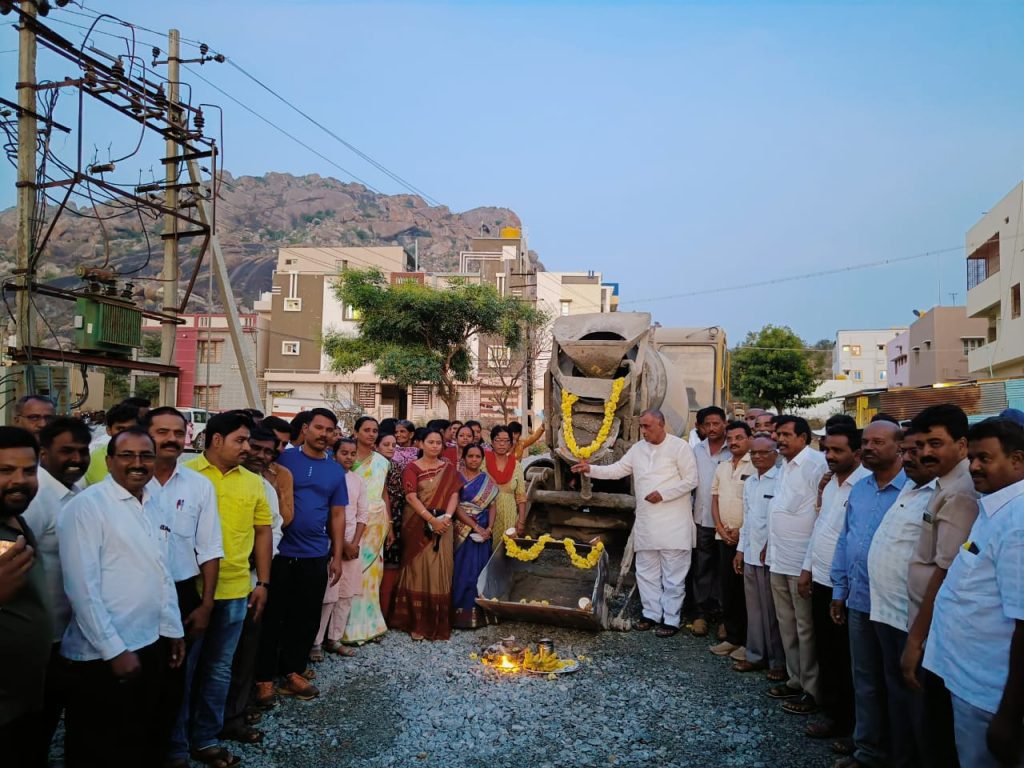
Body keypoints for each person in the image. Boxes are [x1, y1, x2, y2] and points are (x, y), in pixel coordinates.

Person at [58, 428, 185, 768]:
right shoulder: (87, 507)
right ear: (110, 461)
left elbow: (161, 571)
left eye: (145, 456)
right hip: (104, 655)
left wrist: (172, 629)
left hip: (150, 642)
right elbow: (82, 588)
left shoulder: (153, 503)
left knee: (142, 737)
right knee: (98, 747)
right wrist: (113, 650)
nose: (137, 463)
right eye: (127, 455)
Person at [924, 417, 1024, 768]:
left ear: (1018, 460)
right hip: (967, 682)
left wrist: (1009, 716)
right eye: (974, 458)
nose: (975, 466)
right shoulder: (994, 507)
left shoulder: (1018, 523)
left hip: (990, 695)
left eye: (986, 458)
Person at [175, 411, 271, 768]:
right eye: (240, 440)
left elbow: (263, 531)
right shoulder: (186, 477)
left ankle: (205, 737)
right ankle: (175, 743)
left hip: (235, 589)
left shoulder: (252, 482)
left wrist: (262, 582)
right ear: (216, 440)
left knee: (219, 668)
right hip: (193, 590)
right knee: (185, 668)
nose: (248, 448)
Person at [572, 409, 699, 637]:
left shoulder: (680, 447)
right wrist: (591, 469)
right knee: (646, 572)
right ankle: (650, 614)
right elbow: (618, 470)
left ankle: (671, 620)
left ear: (662, 425)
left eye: (647, 426)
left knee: (673, 576)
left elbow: (692, 480)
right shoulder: (638, 449)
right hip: (647, 524)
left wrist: (664, 493)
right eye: (641, 426)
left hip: (674, 525)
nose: (643, 431)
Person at [901, 404, 979, 768]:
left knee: (936, 730)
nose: (927, 453)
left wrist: (916, 641)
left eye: (937, 443)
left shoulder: (961, 492)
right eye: (922, 445)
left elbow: (945, 572)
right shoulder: (944, 484)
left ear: (962, 445)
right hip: (922, 620)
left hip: (934, 630)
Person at [256, 408, 347, 703]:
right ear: (305, 429)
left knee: (305, 618)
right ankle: (264, 679)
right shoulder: (284, 458)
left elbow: (336, 514)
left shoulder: (335, 470)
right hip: (280, 552)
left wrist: (336, 554)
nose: (324, 434)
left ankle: (293, 672)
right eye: (319, 428)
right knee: (272, 617)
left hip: (314, 554)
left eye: (330, 430)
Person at [830, 419, 906, 768]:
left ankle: (899, 754)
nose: (870, 447)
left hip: (895, 607)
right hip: (859, 601)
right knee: (865, 681)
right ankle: (868, 752)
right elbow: (846, 540)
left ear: (899, 446)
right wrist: (839, 588)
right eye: (866, 442)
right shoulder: (859, 489)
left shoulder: (914, 490)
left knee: (897, 685)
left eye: (879, 442)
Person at [860, 426, 937, 768]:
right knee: (887, 689)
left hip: (911, 617)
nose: (912, 457)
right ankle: (884, 753)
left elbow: (941, 566)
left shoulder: (946, 495)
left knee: (914, 700)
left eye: (922, 448)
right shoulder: (911, 487)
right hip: (881, 608)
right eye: (909, 450)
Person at [20, 417, 91, 762]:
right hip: (36, 639)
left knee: (52, 718)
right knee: (29, 724)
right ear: (43, 453)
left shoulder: (78, 492)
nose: (77, 458)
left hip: (67, 634)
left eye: (82, 450)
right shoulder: (33, 499)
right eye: (67, 451)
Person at [798, 424, 868, 744]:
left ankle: (850, 727)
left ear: (856, 453)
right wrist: (806, 569)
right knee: (826, 652)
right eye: (826, 449)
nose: (829, 456)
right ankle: (832, 715)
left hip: (847, 587)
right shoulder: (830, 485)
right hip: (822, 579)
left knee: (847, 659)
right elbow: (820, 529)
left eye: (837, 451)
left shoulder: (864, 486)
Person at [221, 429, 286, 746]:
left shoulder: (264, 488)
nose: (259, 455)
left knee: (245, 653)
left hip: (250, 582)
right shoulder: (205, 480)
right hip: (210, 584)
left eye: (267, 451)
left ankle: (236, 713)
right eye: (253, 448)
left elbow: (274, 530)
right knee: (212, 657)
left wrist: (259, 568)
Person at [766, 415, 827, 715]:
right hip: (779, 557)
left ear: (804, 437)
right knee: (787, 626)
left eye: (787, 434)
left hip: (801, 562)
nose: (780, 439)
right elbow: (778, 508)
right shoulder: (784, 467)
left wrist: (808, 566)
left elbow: (821, 518)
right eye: (778, 434)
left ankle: (813, 690)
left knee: (806, 629)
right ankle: (795, 679)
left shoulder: (817, 466)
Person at [0, 426, 53, 765]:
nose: (20, 480)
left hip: (25, 700)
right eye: (5, 470)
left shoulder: (15, 517)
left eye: (28, 470)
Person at [389, 429, 464, 641]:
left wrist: (447, 518)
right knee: (417, 569)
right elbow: (411, 497)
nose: (434, 446)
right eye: (430, 442)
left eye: (438, 443)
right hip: (417, 525)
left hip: (444, 526)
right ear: (421, 444)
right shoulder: (412, 468)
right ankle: (415, 622)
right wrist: (431, 520)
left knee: (440, 569)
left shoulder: (448, 469)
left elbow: (454, 494)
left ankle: (437, 621)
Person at [733, 435, 787, 679]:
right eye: (753, 453)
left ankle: (777, 662)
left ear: (775, 453)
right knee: (753, 610)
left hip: (770, 556)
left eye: (763, 453)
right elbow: (748, 519)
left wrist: (770, 545)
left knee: (773, 613)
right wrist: (740, 550)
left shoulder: (780, 480)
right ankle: (755, 656)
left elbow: (778, 520)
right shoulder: (751, 482)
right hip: (751, 554)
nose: (757, 457)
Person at [312, 438, 367, 659]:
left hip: (353, 545)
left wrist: (353, 544)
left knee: (346, 595)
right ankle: (316, 642)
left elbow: (362, 516)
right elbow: (326, 514)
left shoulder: (358, 481)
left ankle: (335, 639)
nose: (349, 457)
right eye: (344, 453)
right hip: (330, 543)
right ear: (334, 454)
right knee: (328, 595)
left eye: (353, 453)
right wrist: (340, 544)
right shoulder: (327, 479)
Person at [341, 416, 390, 645]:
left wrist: (389, 526)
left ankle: (372, 625)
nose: (371, 434)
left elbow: (383, 494)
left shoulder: (382, 461)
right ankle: (346, 629)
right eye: (367, 430)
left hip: (378, 524)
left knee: (373, 574)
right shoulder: (345, 460)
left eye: (375, 430)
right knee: (352, 572)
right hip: (351, 523)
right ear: (356, 431)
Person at [710, 420, 753, 659]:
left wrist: (741, 530)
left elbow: (756, 505)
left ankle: (749, 642)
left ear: (749, 438)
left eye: (739, 438)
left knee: (746, 593)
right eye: (730, 439)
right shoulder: (722, 466)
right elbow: (714, 498)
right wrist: (718, 525)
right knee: (727, 590)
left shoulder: (755, 466)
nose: (733, 442)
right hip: (723, 536)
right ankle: (733, 638)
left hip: (746, 540)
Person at [691, 406, 730, 637]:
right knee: (702, 566)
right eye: (708, 424)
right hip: (701, 518)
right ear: (702, 427)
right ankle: (700, 614)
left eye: (717, 423)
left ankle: (725, 617)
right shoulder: (697, 450)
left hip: (726, 522)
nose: (712, 428)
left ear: (725, 423)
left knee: (724, 570)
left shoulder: (734, 450)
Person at [452, 444, 499, 629]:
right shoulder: (456, 477)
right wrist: (475, 526)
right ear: (463, 457)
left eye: (477, 456)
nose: (474, 459)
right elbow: (454, 506)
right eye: (470, 456)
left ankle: (481, 615)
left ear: (482, 459)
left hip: (482, 533)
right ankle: (459, 615)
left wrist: (489, 527)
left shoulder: (486, 480)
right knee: (461, 571)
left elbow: (492, 505)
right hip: (461, 530)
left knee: (480, 572)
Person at [378, 432, 406, 617]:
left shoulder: (397, 467)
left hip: (395, 520)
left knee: (390, 567)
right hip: (374, 519)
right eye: (386, 444)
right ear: (376, 446)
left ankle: (385, 612)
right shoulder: (369, 466)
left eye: (393, 445)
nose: (390, 448)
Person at [82, 401, 140, 486]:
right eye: (120, 429)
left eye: (131, 429)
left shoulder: (149, 456)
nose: (125, 434)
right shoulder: (96, 458)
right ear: (108, 430)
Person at [487, 425, 526, 546]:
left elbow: (521, 496)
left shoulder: (516, 466)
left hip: (510, 515)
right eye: (498, 440)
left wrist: (521, 521)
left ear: (510, 444)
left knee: (508, 550)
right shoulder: (482, 462)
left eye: (506, 441)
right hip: (486, 515)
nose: (502, 444)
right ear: (492, 442)